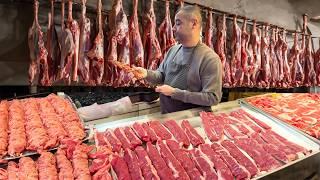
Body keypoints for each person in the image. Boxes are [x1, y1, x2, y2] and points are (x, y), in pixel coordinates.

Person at [136, 5, 222, 114]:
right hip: (168, 117)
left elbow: (212, 98)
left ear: (193, 24)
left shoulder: (209, 59)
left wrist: (174, 93)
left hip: (191, 121)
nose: (173, 28)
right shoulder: (173, 50)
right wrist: (146, 74)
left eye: (178, 23)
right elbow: (161, 76)